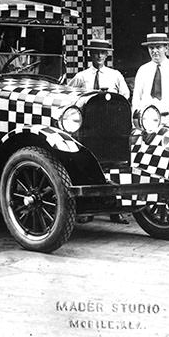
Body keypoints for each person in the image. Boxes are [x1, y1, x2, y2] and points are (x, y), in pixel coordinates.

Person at [69, 37, 130, 224]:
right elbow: (69, 97)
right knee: (88, 166)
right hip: (89, 129)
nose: (99, 56)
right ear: (90, 55)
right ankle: (88, 210)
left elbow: (125, 95)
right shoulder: (81, 77)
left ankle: (116, 211)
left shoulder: (115, 75)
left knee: (114, 166)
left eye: (102, 53)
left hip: (111, 128)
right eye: (95, 53)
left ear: (107, 55)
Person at [132, 33, 169, 127]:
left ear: (166, 48)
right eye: (151, 48)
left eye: (158, 47)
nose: (154, 51)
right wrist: (136, 125)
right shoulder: (143, 70)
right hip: (147, 121)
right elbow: (136, 99)